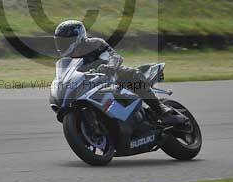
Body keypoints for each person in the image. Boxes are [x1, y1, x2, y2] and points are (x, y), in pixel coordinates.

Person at [53, 20, 186, 126]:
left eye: (65, 41)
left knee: (132, 74)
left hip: (111, 76)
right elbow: (66, 76)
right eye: (60, 41)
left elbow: (114, 56)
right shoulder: (66, 60)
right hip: (90, 85)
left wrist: (109, 67)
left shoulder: (95, 43)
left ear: (78, 38)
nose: (62, 44)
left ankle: (161, 110)